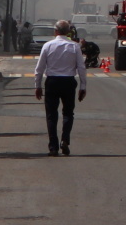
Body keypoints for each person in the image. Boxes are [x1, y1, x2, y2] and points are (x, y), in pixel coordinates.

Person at [34, 19, 88, 156]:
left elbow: (39, 68)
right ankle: (65, 140)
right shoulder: (74, 46)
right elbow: (81, 68)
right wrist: (83, 86)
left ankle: (53, 147)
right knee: (68, 113)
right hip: (68, 82)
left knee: (51, 115)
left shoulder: (48, 45)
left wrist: (38, 85)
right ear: (69, 32)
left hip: (52, 82)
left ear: (55, 31)